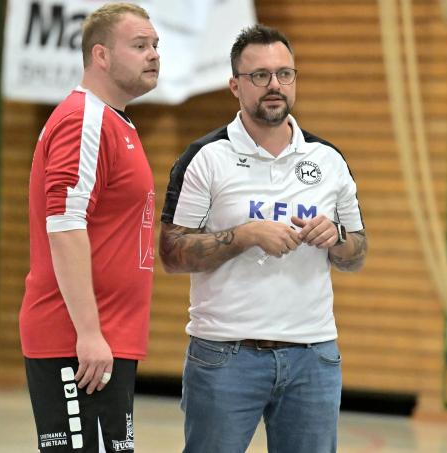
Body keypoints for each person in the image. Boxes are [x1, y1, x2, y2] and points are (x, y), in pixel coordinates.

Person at [159, 24, 368, 453]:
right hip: (224, 356)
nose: (274, 85)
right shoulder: (204, 158)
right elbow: (172, 253)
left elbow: (356, 252)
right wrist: (245, 235)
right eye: (259, 76)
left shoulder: (328, 160)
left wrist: (336, 237)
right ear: (235, 85)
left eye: (284, 73)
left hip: (314, 356)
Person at [19, 3, 159, 452]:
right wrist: (89, 332)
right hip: (78, 341)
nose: (153, 55)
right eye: (139, 46)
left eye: (155, 45)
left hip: (105, 338)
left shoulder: (117, 122)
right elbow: (64, 226)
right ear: (100, 55)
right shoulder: (85, 120)